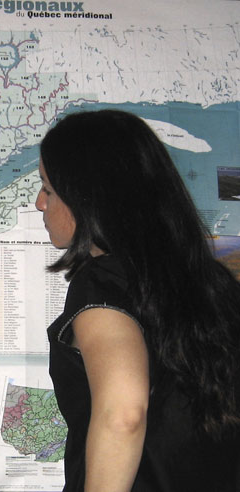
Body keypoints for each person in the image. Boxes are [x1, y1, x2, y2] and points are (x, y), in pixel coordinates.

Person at [35, 109, 240, 492]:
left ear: (86, 196)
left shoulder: (101, 284)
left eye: (48, 188)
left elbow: (123, 415)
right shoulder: (215, 288)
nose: (39, 204)